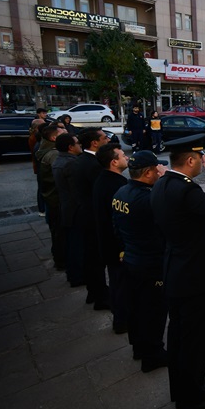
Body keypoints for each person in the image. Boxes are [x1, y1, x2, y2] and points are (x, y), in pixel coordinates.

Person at [150, 134, 205, 409]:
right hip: (196, 277)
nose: (203, 162)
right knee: (195, 339)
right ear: (190, 160)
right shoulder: (186, 190)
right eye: (201, 158)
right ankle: (192, 397)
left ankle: (184, 386)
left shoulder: (162, 183)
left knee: (179, 337)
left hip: (176, 271)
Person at [112, 150, 168, 373]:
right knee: (154, 312)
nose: (158, 172)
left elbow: (116, 228)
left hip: (131, 259)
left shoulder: (121, 192)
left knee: (136, 309)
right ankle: (152, 355)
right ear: (147, 172)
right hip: (151, 264)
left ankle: (139, 348)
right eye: (156, 169)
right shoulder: (148, 198)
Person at [70, 128, 111, 309]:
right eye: (104, 137)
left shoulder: (82, 160)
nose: (108, 140)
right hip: (92, 218)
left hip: (84, 214)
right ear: (95, 143)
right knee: (96, 259)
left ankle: (93, 292)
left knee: (91, 257)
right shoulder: (93, 164)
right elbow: (100, 193)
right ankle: (100, 297)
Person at [93, 143, 130, 334]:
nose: (127, 158)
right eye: (123, 155)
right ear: (114, 162)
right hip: (117, 247)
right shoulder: (116, 186)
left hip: (109, 244)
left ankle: (121, 317)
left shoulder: (105, 179)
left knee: (118, 284)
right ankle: (122, 321)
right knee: (121, 285)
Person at [52, 133, 82, 286]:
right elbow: (76, 191)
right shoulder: (70, 164)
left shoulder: (61, 160)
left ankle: (75, 274)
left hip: (67, 208)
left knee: (72, 243)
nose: (80, 145)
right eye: (77, 143)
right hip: (74, 211)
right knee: (76, 245)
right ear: (71, 147)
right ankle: (77, 276)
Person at [37, 124, 67, 269]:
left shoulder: (48, 150)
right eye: (63, 132)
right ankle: (61, 260)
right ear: (54, 138)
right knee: (60, 232)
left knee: (57, 230)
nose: (66, 132)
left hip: (53, 199)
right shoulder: (54, 154)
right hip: (56, 200)